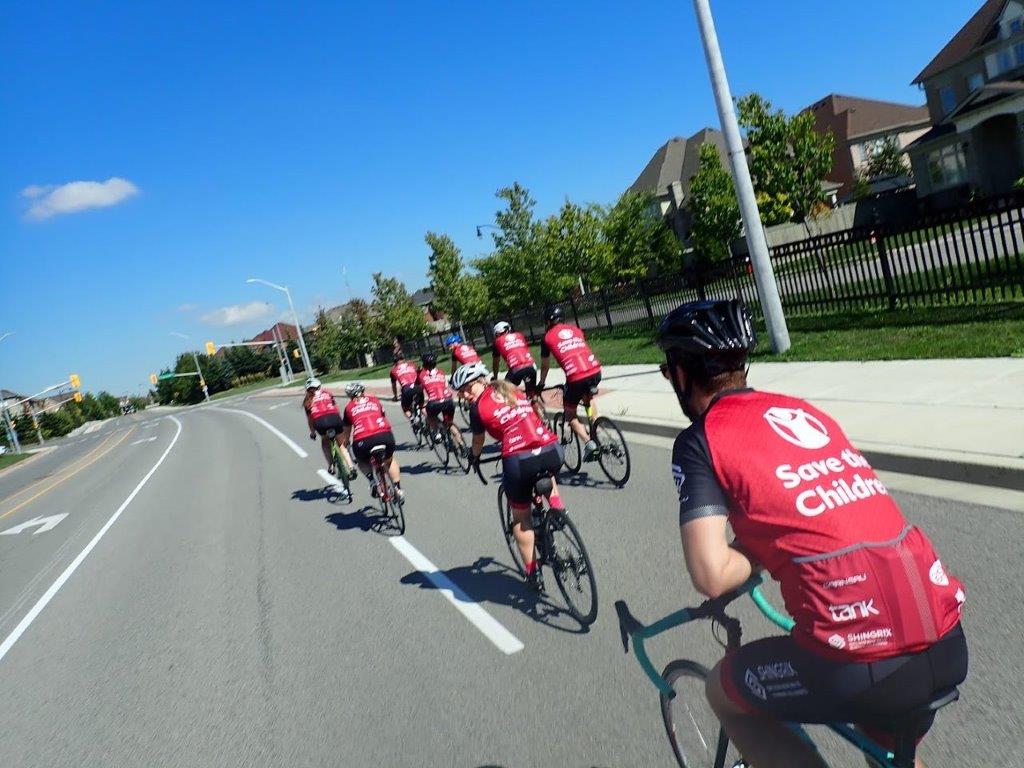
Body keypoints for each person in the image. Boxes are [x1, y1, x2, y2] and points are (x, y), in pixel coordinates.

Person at [657, 299, 967, 768]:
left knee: (723, 690)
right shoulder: (802, 411)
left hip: (859, 663)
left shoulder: (701, 440)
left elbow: (712, 574)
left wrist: (762, 548)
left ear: (682, 374)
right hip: (945, 639)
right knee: (888, 745)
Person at [453, 361, 564, 592]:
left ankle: (533, 573)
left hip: (519, 461)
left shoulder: (477, 409)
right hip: (551, 448)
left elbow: (477, 441)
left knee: (521, 519)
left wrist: (474, 458)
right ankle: (557, 508)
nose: (464, 394)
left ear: (481, 381)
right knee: (545, 469)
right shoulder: (512, 390)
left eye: (467, 388)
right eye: (461, 391)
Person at [537, 305, 601, 459]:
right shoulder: (576, 330)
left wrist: (542, 383)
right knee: (588, 397)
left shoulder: (546, 338)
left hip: (576, 377)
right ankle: (595, 424)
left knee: (570, 414)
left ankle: (588, 443)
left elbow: (545, 365)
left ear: (547, 322)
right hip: (595, 371)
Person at [340, 381, 402, 501]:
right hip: (384, 435)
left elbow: (346, 432)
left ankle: (372, 481)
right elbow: (383, 416)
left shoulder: (348, 408)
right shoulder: (375, 400)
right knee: (389, 460)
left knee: (361, 460)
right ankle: (398, 489)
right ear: (363, 391)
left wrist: (346, 442)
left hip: (363, 440)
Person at [303, 377, 356, 479]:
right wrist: (340, 422)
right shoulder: (327, 394)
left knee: (325, 442)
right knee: (341, 445)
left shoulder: (308, 400)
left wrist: (312, 433)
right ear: (319, 386)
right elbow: (336, 409)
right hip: (334, 419)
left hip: (320, 423)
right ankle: (351, 466)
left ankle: (331, 465)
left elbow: (310, 420)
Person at [417, 353, 462, 451]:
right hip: (448, 400)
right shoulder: (441, 372)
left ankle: (437, 433)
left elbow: (419, 388)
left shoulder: (421, 374)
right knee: (449, 424)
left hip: (434, 402)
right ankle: (462, 446)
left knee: (430, 416)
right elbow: (445, 385)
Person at [491, 321, 538, 392]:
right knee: (531, 392)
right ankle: (534, 398)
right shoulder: (520, 335)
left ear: (497, 333)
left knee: (505, 392)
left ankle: (520, 401)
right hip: (532, 366)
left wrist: (495, 377)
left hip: (516, 369)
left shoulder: (497, 342)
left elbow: (496, 363)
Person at [390, 353, 422, 421]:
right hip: (418, 387)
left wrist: (395, 396)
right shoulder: (412, 365)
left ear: (395, 362)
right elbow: (420, 374)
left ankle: (412, 420)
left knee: (405, 408)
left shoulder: (393, 370)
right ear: (404, 359)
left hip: (406, 389)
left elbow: (394, 385)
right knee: (422, 406)